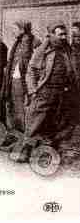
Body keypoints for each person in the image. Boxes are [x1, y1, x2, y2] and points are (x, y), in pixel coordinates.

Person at [25, 22, 79, 161]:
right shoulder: (43, 50)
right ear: (52, 35)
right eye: (60, 34)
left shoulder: (67, 50)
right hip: (45, 92)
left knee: (55, 125)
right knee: (35, 123)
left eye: (65, 34)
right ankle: (25, 151)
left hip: (62, 93)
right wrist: (32, 90)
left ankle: (48, 154)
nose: (63, 37)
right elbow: (31, 71)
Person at [2, 21, 40, 133]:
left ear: (22, 29)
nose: (13, 32)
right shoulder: (17, 43)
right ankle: (15, 133)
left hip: (24, 81)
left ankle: (24, 135)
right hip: (14, 79)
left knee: (23, 109)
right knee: (13, 107)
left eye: (15, 29)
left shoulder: (35, 42)